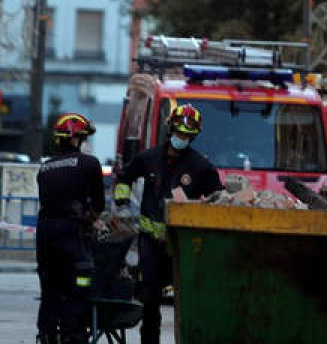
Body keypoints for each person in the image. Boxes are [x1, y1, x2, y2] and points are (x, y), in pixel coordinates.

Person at [113, 104, 222, 344]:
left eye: (186, 135)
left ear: (193, 137)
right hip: (150, 243)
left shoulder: (201, 167)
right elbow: (124, 178)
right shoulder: (148, 158)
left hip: (183, 246)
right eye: (178, 132)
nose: (181, 138)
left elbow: (218, 200)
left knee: (189, 298)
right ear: (170, 129)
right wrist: (122, 203)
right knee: (150, 298)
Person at [36, 112, 106, 344]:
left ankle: (47, 334)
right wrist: (91, 219)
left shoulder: (44, 169)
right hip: (72, 235)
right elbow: (98, 204)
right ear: (76, 138)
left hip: (45, 235)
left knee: (50, 288)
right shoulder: (89, 164)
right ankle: (72, 335)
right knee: (79, 284)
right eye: (83, 138)